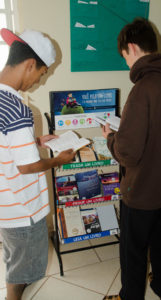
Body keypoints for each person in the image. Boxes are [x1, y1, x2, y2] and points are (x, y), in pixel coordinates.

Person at [102, 18, 161, 300]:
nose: (127, 64)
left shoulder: (143, 89)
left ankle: (130, 296)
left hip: (142, 191)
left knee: (133, 250)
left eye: (125, 57)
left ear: (131, 47)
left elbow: (129, 152)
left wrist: (111, 138)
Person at [0, 28, 76, 300]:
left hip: (4, 203)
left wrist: (37, 141)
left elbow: (6, 144)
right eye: (41, 74)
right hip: (22, 207)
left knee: (13, 257)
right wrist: (58, 159)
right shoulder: (17, 108)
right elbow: (26, 167)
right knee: (21, 268)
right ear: (30, 64)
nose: (38, 82)